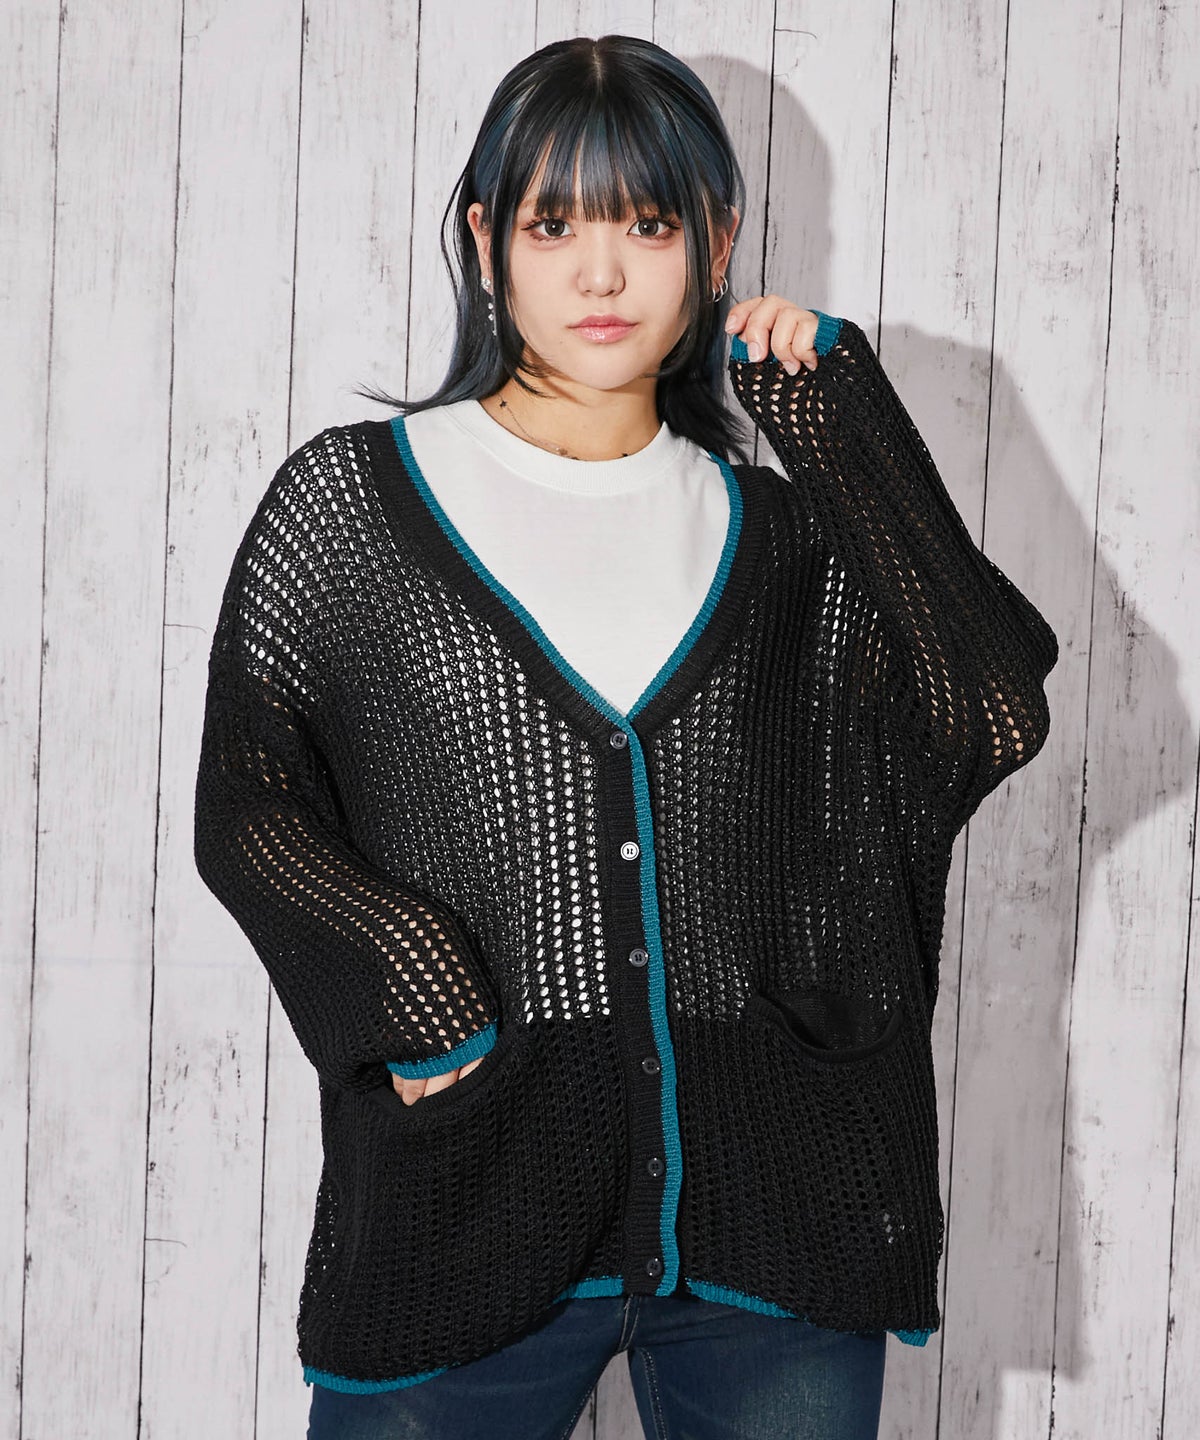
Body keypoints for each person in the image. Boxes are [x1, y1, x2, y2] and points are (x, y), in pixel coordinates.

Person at [192, 33, 1059, 1440]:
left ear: (715, 238)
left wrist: (840, 431)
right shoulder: (351, 506)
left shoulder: (787, 537)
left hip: (775, 1224)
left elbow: (991, 707)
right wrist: (407, 974)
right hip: (461, 1208)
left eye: (648, 225)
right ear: (489, 242)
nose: (602, 275)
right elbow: (249, 801)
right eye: (555, 226)